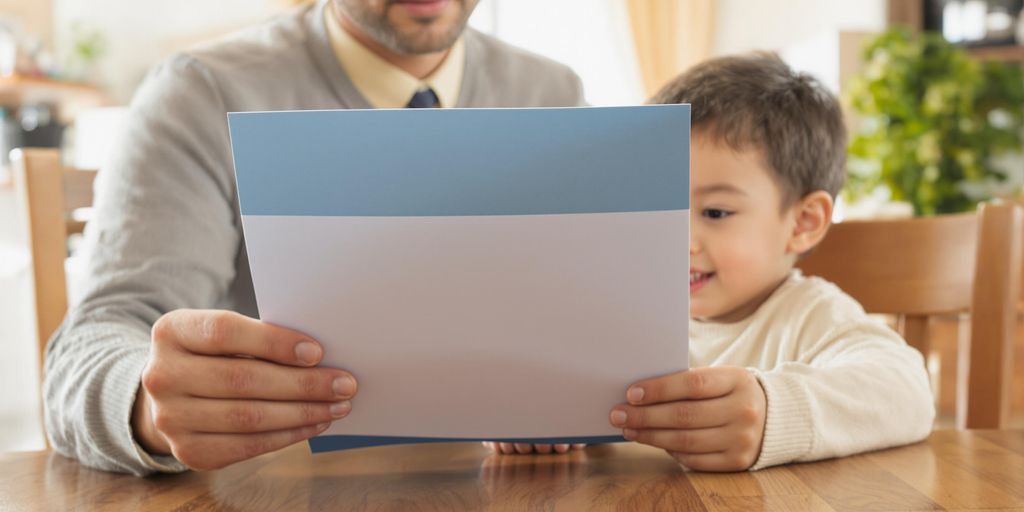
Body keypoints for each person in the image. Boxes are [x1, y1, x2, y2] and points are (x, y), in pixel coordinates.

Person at [45, 0, 583, 476]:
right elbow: (93, 344)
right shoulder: (202, 91)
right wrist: (146, 406)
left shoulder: (554, 91)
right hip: (282, 484)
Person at [489, 53, 935, 470]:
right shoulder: (615, 310)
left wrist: (774, 412)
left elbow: (908, 393)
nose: (678, 241)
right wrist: (529, 413)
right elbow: (533, 373)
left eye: (715, 213)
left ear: (803, 222)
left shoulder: (810, 316)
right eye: (661, 207)